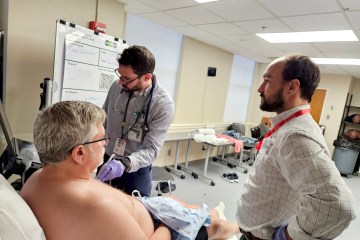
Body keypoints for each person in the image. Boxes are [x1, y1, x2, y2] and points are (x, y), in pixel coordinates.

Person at [20, 101, 239, 240]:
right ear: (79, 153)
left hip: (144, 208)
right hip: (158, 228)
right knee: (214, 223)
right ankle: (234, 228)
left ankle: (208, 211)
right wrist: (166, 224)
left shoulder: (39, 177)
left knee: (172, 199)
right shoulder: (97, 206)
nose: (106, 143)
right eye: (102, 138)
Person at [236, 55, 356, 240]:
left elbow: (338, 206)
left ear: (292, 87)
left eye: (267, 81)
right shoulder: (288, 127)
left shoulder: (294, 136)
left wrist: (287, 237)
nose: (260, 89)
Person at [100, 45, 174, 197]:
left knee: (132, 214)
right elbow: (103, 118)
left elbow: (151, 150)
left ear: (147, 77)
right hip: (108, 160)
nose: (120, 82)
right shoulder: (116, 87)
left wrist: (125, 164)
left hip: (135, 169)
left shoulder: (162, 104)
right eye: (120, 75)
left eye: (126, 78)